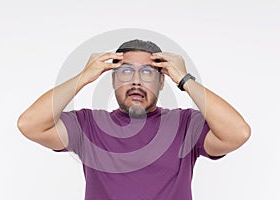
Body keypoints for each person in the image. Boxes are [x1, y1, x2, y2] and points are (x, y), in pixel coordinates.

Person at [17, 39, 251, 200]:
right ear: (112, 80)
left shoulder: (186, 125)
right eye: (126, 71)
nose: (136, 81)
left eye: (148, 72)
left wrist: (185, 79)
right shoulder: (89, 126)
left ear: (162, 81)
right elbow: (30, 125)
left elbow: (237, 133)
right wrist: (83, 77)